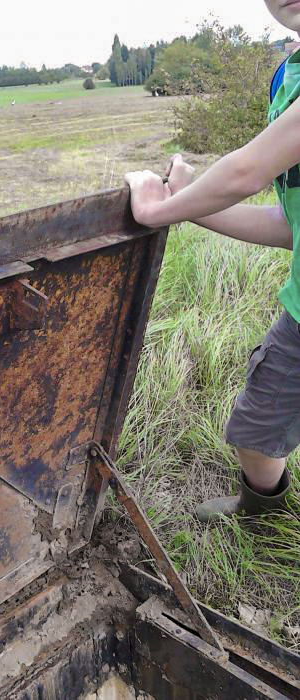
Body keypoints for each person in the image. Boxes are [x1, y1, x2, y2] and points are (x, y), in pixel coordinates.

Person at [125, 0, 300, 523]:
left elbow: (246, 171)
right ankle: (261, 512)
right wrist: (191, 205)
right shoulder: (287, 74)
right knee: (257, 424)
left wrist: (158, 210)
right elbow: (290, 224)